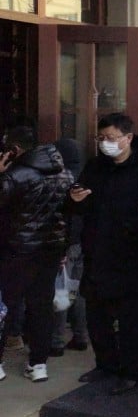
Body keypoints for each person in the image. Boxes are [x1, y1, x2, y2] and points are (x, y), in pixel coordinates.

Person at [71, 113, 138, 395]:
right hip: (97, 253)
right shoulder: (95, 167)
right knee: (97, 317)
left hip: (132, 256)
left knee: (130, 321)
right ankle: (105, 364)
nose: (106, 144)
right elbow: (77, 202)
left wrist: (135, 224)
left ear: (128, 138)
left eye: (111, 138)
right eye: (101, 138)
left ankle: (131, 372)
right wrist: (74, 200)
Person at [0, 126, 74, 382]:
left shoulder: (16, 174)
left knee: (6, 305)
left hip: (16, 250)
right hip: (50, 250)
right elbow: (68, 214)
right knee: (41, 306)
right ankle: (38, 363)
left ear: (15, 149)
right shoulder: (65, 173)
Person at [52, 138, 88, 354]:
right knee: (78, 292)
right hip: (83, 243)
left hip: (66, 244)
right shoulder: (86, 177)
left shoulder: (60, 179)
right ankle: (81, 336)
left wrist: (62, 248)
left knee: (60, 292)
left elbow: (64, 217)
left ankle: (56, 342)